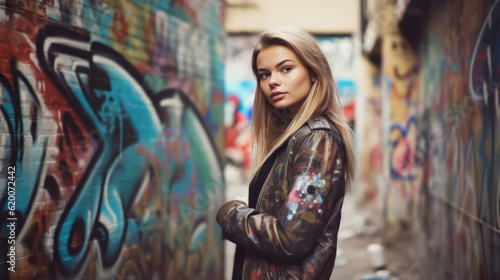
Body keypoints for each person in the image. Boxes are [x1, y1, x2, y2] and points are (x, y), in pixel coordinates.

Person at [216, 27, 356, 280]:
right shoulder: (292, 137)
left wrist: (231, 213)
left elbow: (288, 239)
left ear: (314, 73)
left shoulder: (317, 139)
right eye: (264, 74)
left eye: (286, 69)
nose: (273, 81)